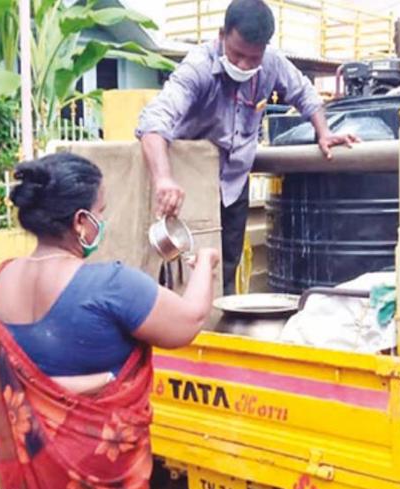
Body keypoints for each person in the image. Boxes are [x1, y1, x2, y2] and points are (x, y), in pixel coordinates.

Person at [0, 152, 218, 489]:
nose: (103, 222)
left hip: (37, 485)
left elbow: (36, 383)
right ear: (80, 221)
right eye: (100, 212)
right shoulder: (112, 285)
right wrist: (205, 264)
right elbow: (188, 322)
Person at [137, 0, 358, 294]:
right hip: (189, 182)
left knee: (226, 264)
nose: (243, 64)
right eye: (237, 54)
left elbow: (304, 93)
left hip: (234, 184)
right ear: (221, 35)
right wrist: (163, 178)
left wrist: (324, 131)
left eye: (252, 58)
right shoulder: (198, 67)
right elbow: (154, 119)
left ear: (264, 49)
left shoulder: (272, 63)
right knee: (182, 265)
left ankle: (217, 329)